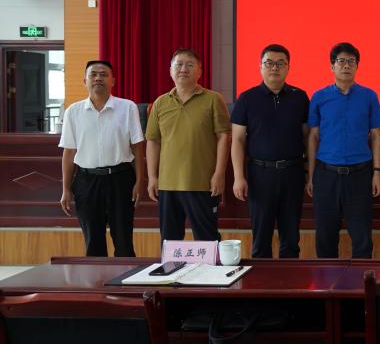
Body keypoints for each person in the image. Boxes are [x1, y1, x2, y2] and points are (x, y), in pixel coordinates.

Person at [58, 60, 145, 256]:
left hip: (121, 179)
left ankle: (125, 276)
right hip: (86, 181)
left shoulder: (127, 107)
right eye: (93, 75)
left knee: (123, 240)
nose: (98, 78)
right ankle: (96, 276)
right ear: (85, 81)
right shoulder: (73, 111)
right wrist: (66, 189)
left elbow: (138, 149)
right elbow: (69, 152)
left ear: (113, 81)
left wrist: (140, 182)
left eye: (104, 74)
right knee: (93, 241)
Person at [230, 43, 309, 258]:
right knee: (261, 239)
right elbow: (237, 140)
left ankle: (290, 278)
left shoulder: (300, 97)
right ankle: (261, 279)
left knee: (290, 238)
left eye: (280, 63)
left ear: (288, 67)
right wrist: (238, 177)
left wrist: (309, 172)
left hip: (292, 173)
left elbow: (308, 137)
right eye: (269, 63)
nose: (275, 68)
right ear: (260, 66)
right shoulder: (247, 98)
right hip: (260, 174)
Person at [308, 42, 380, 258]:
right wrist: (311, 176)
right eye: (341, 61)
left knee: (362, 237)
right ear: (332, 66)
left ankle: (362, 280)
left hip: (360, 175)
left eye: (351, 62)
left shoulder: (369, 96)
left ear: (357, 66)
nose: (346, 66)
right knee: (325, 237)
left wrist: (376, 173)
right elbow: (313, 137)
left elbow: (376, 136)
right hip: (326, 175)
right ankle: (327, 280)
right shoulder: (319, 97)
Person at [146, 48, 230, 242]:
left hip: (202, 183)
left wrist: (219, 174)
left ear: (200, 71)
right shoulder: (160, 103)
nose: (183, 69)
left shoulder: (213, 99)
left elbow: (223, 137)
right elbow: (153, 141)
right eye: (179, 65)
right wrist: (152, 177)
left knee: (207, 239)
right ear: (170, 70)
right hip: (168, 184)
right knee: (170, 241)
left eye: (190, 65)